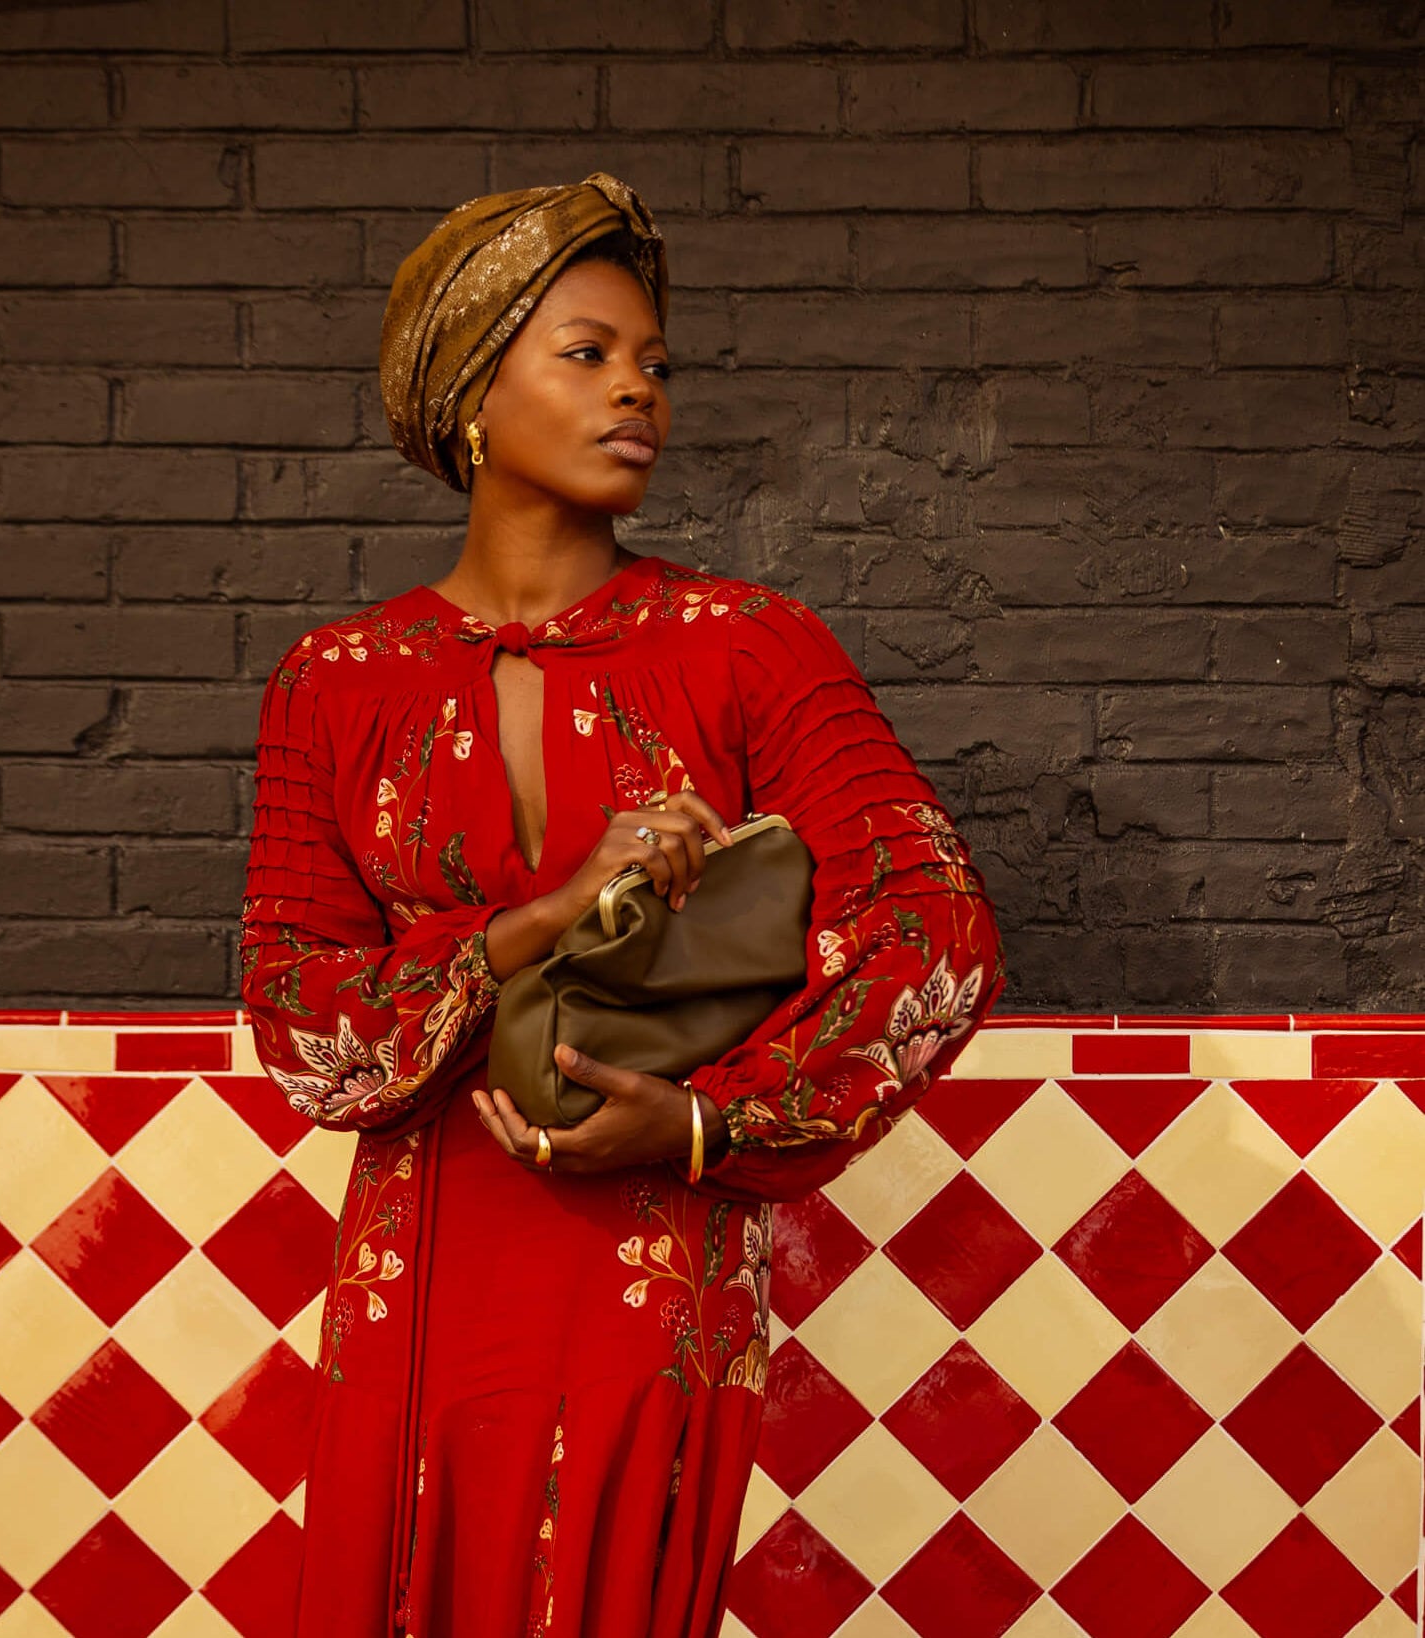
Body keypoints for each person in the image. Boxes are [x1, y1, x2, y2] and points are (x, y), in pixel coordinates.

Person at [239, 171, 1006, 1638]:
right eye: (585, 354)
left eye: (652, 362)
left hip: (653, 1255)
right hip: (420, 1267)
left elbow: (933, 931)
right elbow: (294, 1018)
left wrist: (714, 1122)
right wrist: (547, 913)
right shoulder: (333, 682)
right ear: (469, 389)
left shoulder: (750, 650)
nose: (636, 392)